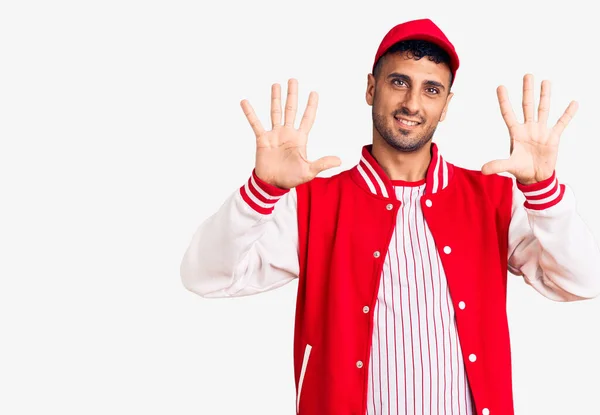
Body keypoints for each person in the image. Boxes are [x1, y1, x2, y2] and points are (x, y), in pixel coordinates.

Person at [180, 18, 600, 415]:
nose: (412, 104)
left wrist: (543, 189)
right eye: (399, 82)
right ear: (370, 88)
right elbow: (205, 276)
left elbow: (582, 281)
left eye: (431, 90)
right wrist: (262, 189)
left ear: (447, 104)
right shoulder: (314, 203)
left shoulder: (492, 198)